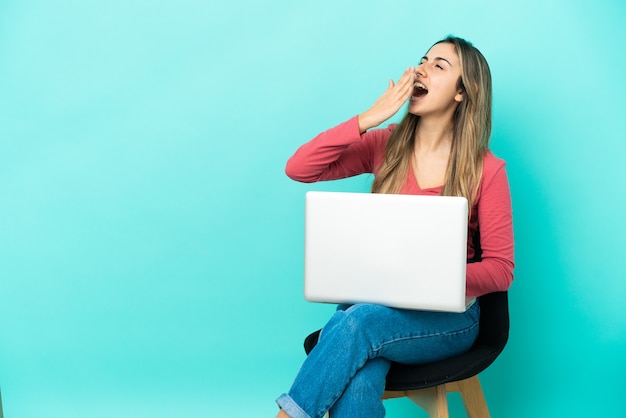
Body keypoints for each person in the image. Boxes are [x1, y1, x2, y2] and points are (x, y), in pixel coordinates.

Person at [275, 35, 514, 418]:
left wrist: (430, 278)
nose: (422, 68)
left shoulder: (487, 170)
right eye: (423, 59)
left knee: (357, 323)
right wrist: (368, 119)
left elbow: (502, 270)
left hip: (448, 320)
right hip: (371, 309)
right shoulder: (385, 146)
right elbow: (299, 168)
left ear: (461, 93)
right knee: (359, 377)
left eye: (439, 65)